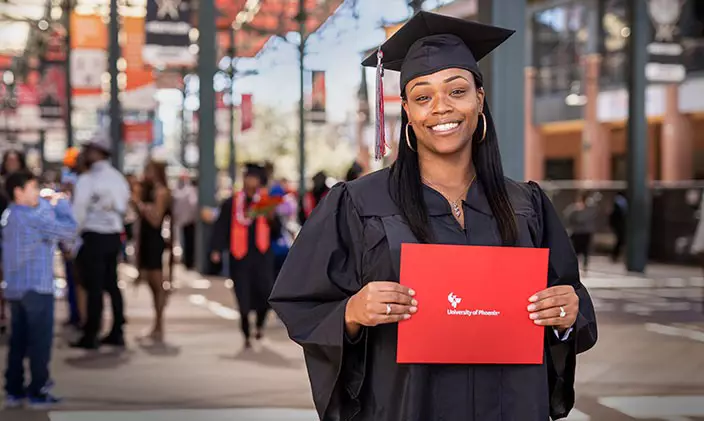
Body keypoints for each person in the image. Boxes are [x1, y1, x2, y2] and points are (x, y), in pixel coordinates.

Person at [269, 12, 597, 421]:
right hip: (407, 406)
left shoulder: (526, 205)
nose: (440, 108)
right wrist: (351, 312)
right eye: (423, 97)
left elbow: (570, 298)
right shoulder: (358, 203)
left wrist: (567, 315)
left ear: (479, 98)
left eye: (456, 91)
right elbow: (302, 302)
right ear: (406, 110)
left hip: (511, 406)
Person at [1, 170, 77, 407]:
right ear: (18, 191)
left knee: (19, 341)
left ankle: (14, 389)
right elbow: (69, 230)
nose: (38, 193)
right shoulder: (33, 217)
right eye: (33, 188)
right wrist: (60, 204)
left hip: (15, 289)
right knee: (39, 342)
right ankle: (38, 390)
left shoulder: (9, 215)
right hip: (37, 288)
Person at [210, 163, 282, 349]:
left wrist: (271, 218)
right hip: (239, 257)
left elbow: (276, 231)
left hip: (262, 256)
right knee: (242, 296)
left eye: (253, 177)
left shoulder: (265, 202)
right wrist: (217, 249)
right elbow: (221, 227)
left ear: (259, 180)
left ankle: (259, 325)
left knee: (266, 293)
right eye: (247, 177)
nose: (250, 180)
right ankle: (246, 333)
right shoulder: (232, 202)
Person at [71, 131, 130, 350]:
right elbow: (124, 207)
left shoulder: (87, 180)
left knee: (94, 286)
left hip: (94, 237)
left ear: (97, 152)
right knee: (111, 284)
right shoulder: (117, 178)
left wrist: (71, 240)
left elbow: (78, 213)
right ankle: (117, 330)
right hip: (113, 237)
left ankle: (91, 334)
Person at [131, 160, 172, 342]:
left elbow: (156, 220)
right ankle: (156, 324)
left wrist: (139, 204)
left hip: (154, 241)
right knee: (149, 281)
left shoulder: (161, 192)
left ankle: (159, 324)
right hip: (145, 240)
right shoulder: (147, 190)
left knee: (157, 284)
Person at [0, 149, 28, 335]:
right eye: (8, 160)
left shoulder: (27, 182)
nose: (11, 163)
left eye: (14, 160)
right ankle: (2, 314)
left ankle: (21, 316)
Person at [564, 191, 598, 272]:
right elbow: (568, 217)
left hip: (585, 232)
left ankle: (584, 266)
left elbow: (588, 217)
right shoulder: (574, 208)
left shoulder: (590, 208)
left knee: (585, 250)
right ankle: (573, 266)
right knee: (575, 250)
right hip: (577, 232)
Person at [609, 191, 627, 262]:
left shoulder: (617, 203)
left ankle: (616, 255)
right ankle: (615, 255)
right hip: (619, 225)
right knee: (620, 240)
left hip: (617, 225)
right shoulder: (620, 203)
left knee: (620, 240)